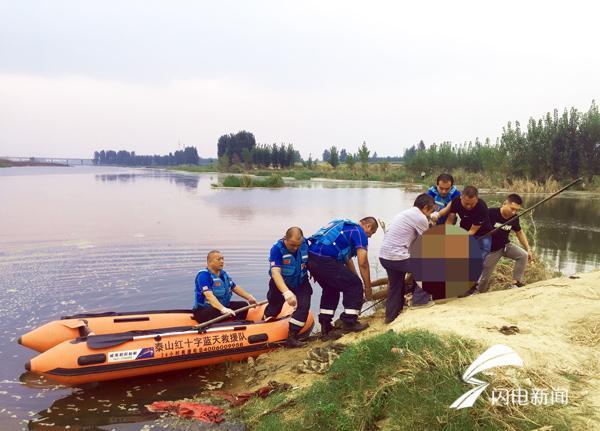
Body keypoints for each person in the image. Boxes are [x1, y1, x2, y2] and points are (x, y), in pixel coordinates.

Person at [307, 217, 378, 337]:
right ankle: (349, 322)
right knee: (354, 285)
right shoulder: (360, 233)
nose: (370, 236)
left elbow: (347, 259)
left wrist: (355, 278)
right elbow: (363, 263)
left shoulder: (343, 225)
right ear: (368, 227)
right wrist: (367, 287)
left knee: (331, 288)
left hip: (311, 258)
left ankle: (326, 326)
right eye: (372, 233)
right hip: (325, 259)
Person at [379, 194, 437, 323]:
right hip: (397, 257)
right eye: (431, 210)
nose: (430, 214)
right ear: (426, 207)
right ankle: (420, 302)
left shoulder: (406, 213)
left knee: (396, 286)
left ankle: (391, 317)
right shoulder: (420, 218)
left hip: (385, 257)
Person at [430, 185, 492, 297]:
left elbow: (472, 232)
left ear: (477, 199)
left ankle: (470, 287)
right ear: (461, 197)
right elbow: (450, 218)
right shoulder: (456, 201)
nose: (468, 206)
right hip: (465, 229)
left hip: (482, 234)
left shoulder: (481, 207)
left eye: (472, 204)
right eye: (466, 203)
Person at [264, 227, 312, 347]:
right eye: (292, 245)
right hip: (281, 283)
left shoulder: (305, 243)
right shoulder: (277, 249)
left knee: (304, 306)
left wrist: (315, 272)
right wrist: (286, 292)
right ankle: (264, 328)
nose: (295, 248)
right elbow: (275, 273)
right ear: (285, 238)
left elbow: (311, 259)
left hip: (301, 281)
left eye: (298, 245)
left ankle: (292, 336)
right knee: (274, 308)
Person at [478, 194, 534, 292]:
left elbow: (519, 232)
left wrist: (528, 248)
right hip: (491, 250)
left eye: (516, 210)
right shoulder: (490, 213)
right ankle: (479, 293)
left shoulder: (515, 218)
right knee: (483, 279)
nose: (514, 212)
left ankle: (516, 283)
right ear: (504, 204)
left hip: (505, 246)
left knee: (523, 255)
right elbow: (476, 227)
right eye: (512, 208)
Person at [193, 250, 257, 323]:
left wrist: (249, 297)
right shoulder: (204, 276)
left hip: (223, 306)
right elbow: (209, 296)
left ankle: (238, 324)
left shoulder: (223, 274)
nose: (222, 261)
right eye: (219, 259)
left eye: (223, 259)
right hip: (204, 309)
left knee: (243, 305)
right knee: (213, 312)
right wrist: (223, 309)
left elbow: (234, 287)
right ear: (209, 262)